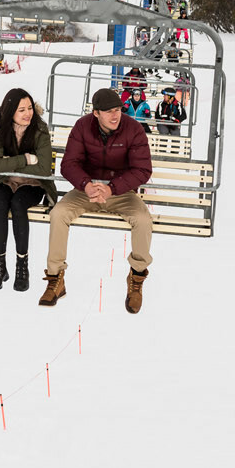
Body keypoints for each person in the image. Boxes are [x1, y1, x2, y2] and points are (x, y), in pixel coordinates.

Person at [39, 88, 154, 312]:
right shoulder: (83, 127)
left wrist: (113, 188)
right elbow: (69, 163)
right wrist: (86, 185)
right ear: (96, 113)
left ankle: (137, 278)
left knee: (142, 219)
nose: (115, 116)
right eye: (109, 111)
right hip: (86, 190)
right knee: (59, 214)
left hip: (121, 193)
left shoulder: (133, 129)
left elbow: (142, 169)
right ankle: (55, 278)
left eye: (118, 110)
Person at [0, 88, 55, 293]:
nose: (27, 113)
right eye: (21, 110)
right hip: (1, 181)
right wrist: (26, 159)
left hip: (32, 183)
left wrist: (9, 162)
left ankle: (22, 266)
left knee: (18, 204)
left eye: (30, 108)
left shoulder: (39, 128)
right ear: (10, 111)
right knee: (0, 204)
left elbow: (43, 168)